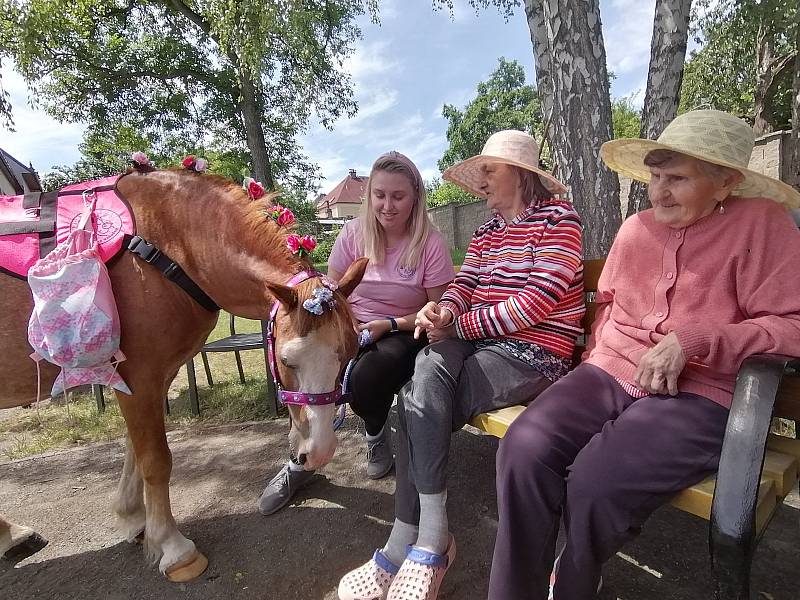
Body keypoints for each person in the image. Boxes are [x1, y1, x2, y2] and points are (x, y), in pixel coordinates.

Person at [489, 110, 800, 600]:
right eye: (655, 177)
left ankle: (572, 582)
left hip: (701, 392)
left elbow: (792, 325)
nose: (659, 192)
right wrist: (595, 359)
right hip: (610, 372)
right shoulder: (636, 228)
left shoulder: (762, 225)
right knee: (523, 449)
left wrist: (697, 340)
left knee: (596, 482)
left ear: (726, 183)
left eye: (677, 178)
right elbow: (608, 307)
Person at [337, 130, 584, 600]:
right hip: (474, 339)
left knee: (414, 405)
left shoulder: (560, 219)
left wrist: (459, 327)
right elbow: (465, 281)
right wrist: (443, 310)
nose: (482, 182)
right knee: (420, 383)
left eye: (489, 171)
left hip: (532, 351)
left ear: (520, 173)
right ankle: (426, 537)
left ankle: (414, 541)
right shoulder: (489, 228)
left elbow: (537, 302)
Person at [258, 150, 455, 515]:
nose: (388, 205)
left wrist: (389, 325)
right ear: (369, 196)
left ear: (415, 197)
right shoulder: (352, 234)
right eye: (380, 195)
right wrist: (341, 328)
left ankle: (376, 435)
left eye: (398, 196)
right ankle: (297, 462)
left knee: (367, 379)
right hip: (349, 327)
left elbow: (437, 312)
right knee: (301, 365)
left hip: (404, 330)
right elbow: (330, 291)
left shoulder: (429, 243)